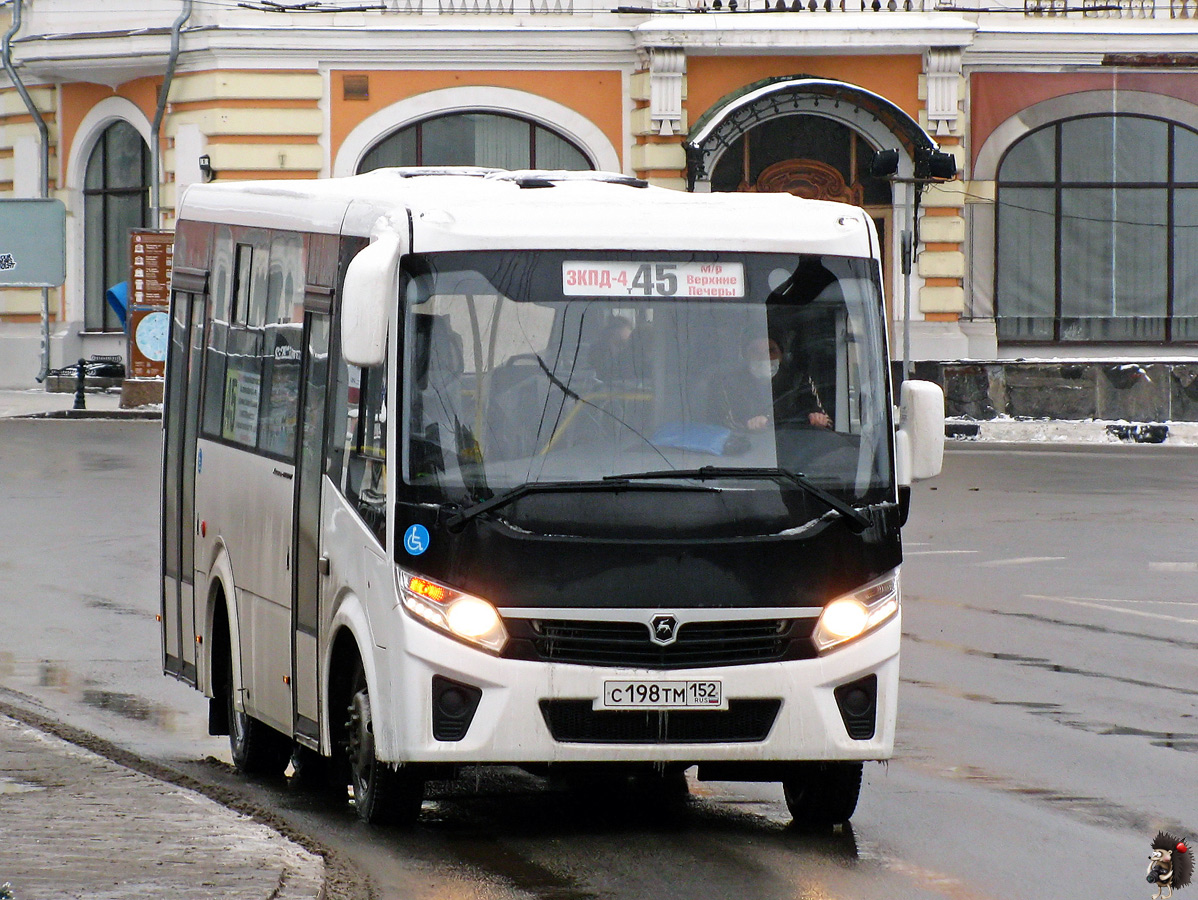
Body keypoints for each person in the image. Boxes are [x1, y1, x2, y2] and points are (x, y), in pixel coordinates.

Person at [709, 336, 830, 432]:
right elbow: (722, 424)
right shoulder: (728, 383)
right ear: (745, 356)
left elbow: (825, 418)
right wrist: (747, 424)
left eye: (771, 350)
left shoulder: (798, 379)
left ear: (781, 355)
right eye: (755, 351)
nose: (764, 357)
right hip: (747, 451)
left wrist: (818, 418)